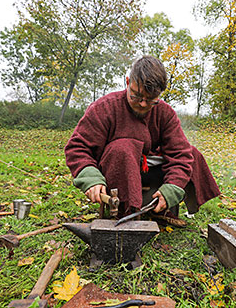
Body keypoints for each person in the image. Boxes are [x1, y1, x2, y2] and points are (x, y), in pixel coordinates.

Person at [64, 55, 220, 226]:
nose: (143, 104)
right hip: (116, 168)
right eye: (136, 96)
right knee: (122, 148)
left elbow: (180, 154)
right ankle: (125, 212)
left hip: (149, 169)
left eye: (151, 100)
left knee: (192, 152)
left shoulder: (165, 113)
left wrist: (171, 190)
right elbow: (77, 148)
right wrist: (91, 179)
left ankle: (163, 209)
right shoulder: (105, 108)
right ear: (128, 81)